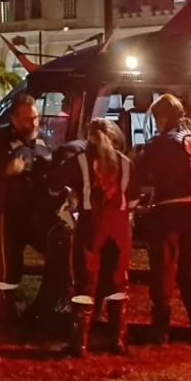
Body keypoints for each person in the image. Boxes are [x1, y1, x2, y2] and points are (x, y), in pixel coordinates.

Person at [0, 94, 70, 336]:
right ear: (13, 118)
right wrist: (5, 172)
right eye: (27, 119)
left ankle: (48, 306)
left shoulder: (45, 141)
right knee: (9, 261)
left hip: (40, 213)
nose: (33, 123)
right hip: (9, 211)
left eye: (36, 118)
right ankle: (6, 312)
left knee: (60, 247)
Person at [50, 117, 139, 356]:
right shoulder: (126, 163)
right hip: (120, 226)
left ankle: (79, 345)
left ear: (89, 137)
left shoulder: (79, 160)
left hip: (91, 225)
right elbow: (133, 199)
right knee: (118, 280)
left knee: (84, 280)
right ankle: (118, 342)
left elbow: (53, 184)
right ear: (113, 136)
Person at [134, 93, 191, 344]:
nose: (156, 124)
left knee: (164, 269)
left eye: (157, 119)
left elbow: (142, 171)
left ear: (164, 117)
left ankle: (161, 328)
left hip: (168, 212)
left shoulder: (161, 143)